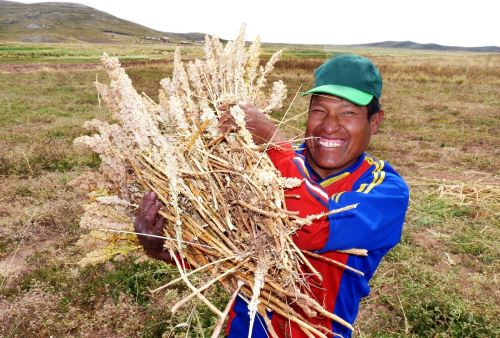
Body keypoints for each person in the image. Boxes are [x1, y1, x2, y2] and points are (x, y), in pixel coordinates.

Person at [134, 54, 409, 338]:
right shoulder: (260, 164)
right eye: (319, 110)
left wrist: (273, 142)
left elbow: (311, 227)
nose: (329, 125)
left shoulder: (385, 192)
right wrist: (164, 249)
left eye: (348, 112)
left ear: (374, 122)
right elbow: (229, 252)